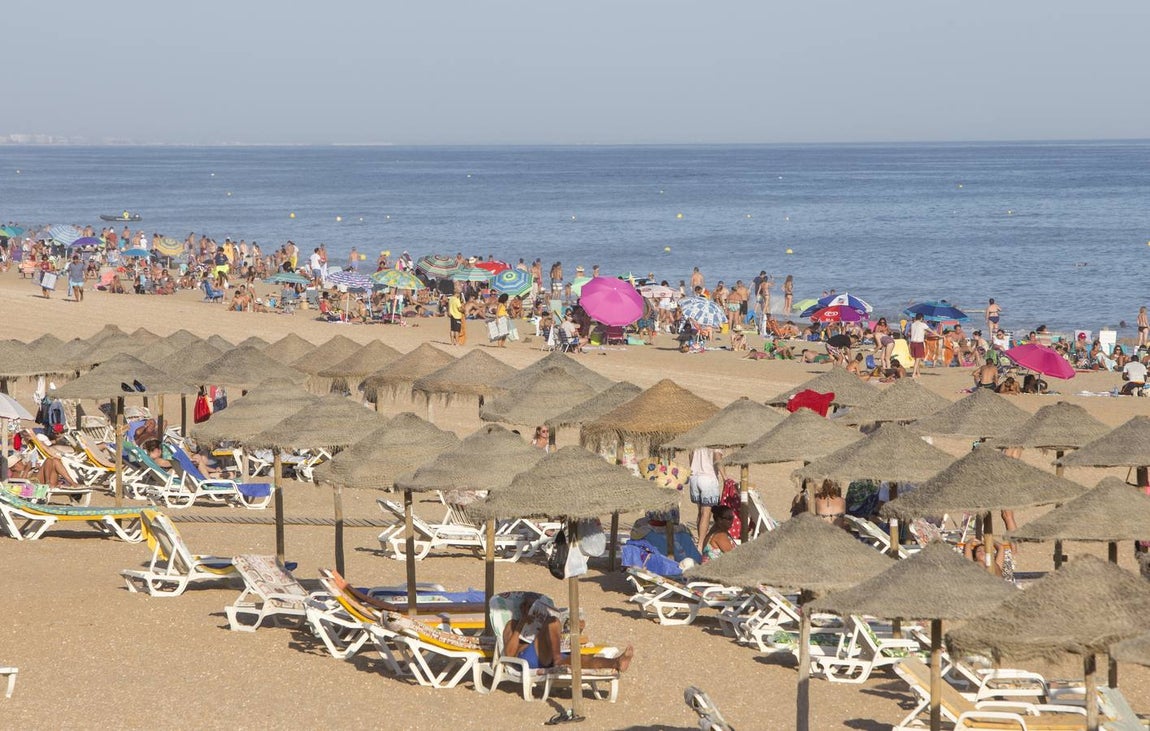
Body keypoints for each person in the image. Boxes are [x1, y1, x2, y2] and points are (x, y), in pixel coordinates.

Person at [502, 596, 633, 672]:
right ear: (521, 608)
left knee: (581, 659)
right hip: (528, 657)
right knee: (552, 622)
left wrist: (576, 629)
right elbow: (509, 654)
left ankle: (615, 663)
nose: (530, 609)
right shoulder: (512, 624)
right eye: (528, 606)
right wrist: (522, 622)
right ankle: (558, 659)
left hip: (551, 654)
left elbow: (563, 640)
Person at [689, 446, 724, 551]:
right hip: (708, 477)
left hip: (694, 477)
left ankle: (701, 540)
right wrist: (725, 477)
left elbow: (690, 454)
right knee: (706, 513)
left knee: (700, 511)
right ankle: (701, 545)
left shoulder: (697, 439)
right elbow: (717, 458)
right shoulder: (715, 440)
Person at [907, 313, 932, 378]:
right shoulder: (923, 324)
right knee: (918, 359)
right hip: (919, 343)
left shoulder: (912, 324)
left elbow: (911, 333)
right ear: (921, 318)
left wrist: (923, 332)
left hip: (912, 343)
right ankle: (914, 374)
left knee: (916, 359)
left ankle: (918, 373)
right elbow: (931, 331)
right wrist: (939, 335)